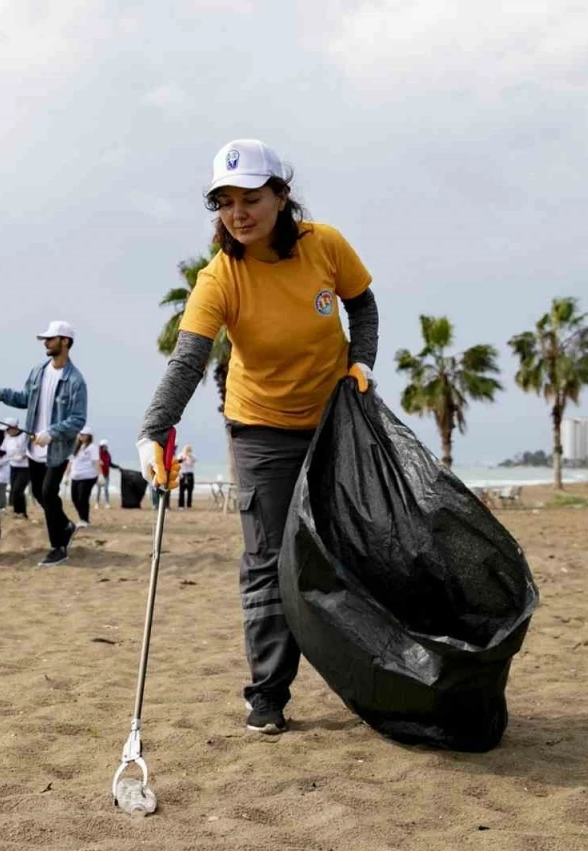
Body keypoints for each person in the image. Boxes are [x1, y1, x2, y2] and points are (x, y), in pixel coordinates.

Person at [137, 139, 379, 736]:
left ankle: (375, 680)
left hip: (334, 421)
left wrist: (362, 363)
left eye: (250, 198)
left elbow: (363, 306)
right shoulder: (219, 277)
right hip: (261, 430)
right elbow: (188, 361)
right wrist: (152, 432)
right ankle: (268, 693)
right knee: (268, 561)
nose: (238, 213)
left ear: (281, 195)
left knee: (347, 550)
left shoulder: (326, 244)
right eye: (225, 202)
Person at [0, 320, 88, 567]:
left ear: (65, 341)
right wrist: (0, 393)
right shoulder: (38, 371)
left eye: (51, 339)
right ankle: (65, 525)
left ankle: (58, 548)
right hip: (33, 449)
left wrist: (51, 433)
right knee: (40, 495)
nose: (46, 343)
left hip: (56, 450)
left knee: (48, 493)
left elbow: (78, 419)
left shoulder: (76, 381)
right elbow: (25, 399)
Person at [68, 426, 102, 527]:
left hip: (88, 476)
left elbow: (96, 462)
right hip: (75, 476)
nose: (81, 436)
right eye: (80, 434)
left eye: (83, 435)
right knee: (74, 498)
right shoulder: (76, 447)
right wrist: (66, 476)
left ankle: (84, 520)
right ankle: (82, 517)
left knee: (82, 497)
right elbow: (70, 462)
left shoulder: (92, 448)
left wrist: (100, 475)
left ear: (89, 436)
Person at [0, 418, 31, 519]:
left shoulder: (25, 436)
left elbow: (32, 449)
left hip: (25, 467)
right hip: (13, 466)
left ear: (14, 428)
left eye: (7, 429)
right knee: (14, 490)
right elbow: (2, 451)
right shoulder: (7, 437)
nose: (6, 432)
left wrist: (24, 456)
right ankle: (18, 512)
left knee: (18, 489)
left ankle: (21, 513)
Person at [177, 444, 197, 509]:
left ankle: (189, 505)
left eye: (189, 450)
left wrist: (189, 457)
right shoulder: (180, 455)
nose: (187, 451)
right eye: (186, 450)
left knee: (190, 490)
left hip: (190, 473)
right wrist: (183, 458)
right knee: (181, 491)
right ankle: (181, 505)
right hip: (182, 473)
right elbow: (178, 462)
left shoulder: (192, 456)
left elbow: (194, 461)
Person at [95, 439, 113, 509]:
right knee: (99, 490)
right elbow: (95, 464)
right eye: (104, 446)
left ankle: (107, 503)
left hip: (106, 475)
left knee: (106, 489)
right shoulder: (97, 455)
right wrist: (99, 463)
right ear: (101, 447)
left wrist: (118, 467)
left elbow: (110, 464)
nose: (105, 448)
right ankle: (97, 503)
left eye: (106, 446)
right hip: (99, 475)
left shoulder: (108, 455)